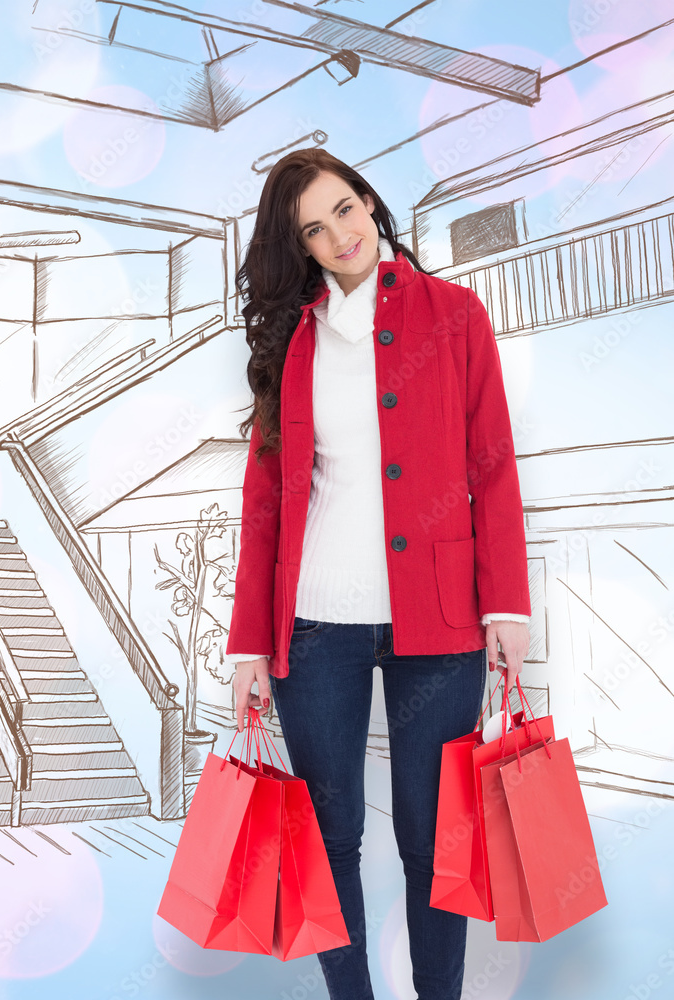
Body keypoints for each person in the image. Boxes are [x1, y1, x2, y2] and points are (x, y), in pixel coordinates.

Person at [225, 148, 531, 1000]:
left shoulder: (455, 315)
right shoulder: (295, 338)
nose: (338, 236)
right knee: (330, 838)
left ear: (370, 203)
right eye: (314, 232)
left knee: (435, 840)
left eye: (344, 211)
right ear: (303, 250)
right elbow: (266, 501)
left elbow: (493, 464)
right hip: (314, 624)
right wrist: (251, 640)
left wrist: (506, 602)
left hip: (443, 620)